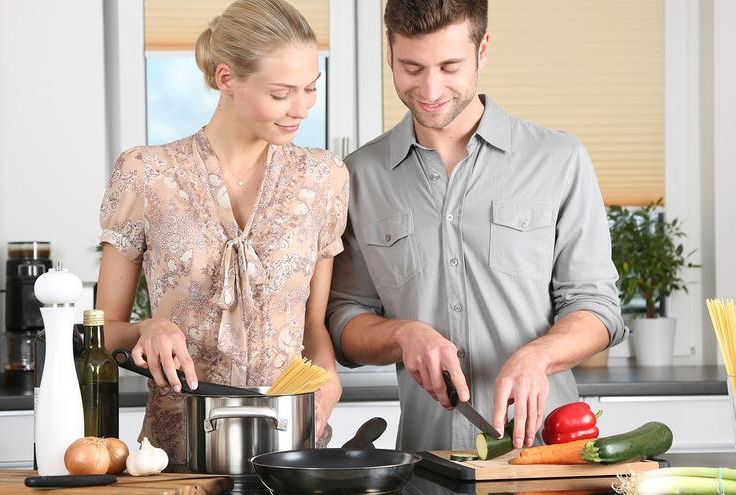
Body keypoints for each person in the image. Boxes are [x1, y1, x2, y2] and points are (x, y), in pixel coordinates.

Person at [327, 0, 625, 453]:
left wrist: (539, 355)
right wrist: (403, 334)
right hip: (427, 468)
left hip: (547, 460)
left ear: (483, 50)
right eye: (411, 67)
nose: (430, 88)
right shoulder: (361, 175)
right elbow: (344, 317)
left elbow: (597, 307)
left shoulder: (558, 159)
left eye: (450, 66)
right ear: (389, 53)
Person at [96, 0, 348, 463]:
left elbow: (313, 325)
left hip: (289, 448)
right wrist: (148, 328)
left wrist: (327, 377)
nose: (302, 108)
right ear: (226, 78)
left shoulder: (325, 178)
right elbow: (99, 335)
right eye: (281, 93)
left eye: (311, 88)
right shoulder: (146, 174)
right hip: (177, 455)